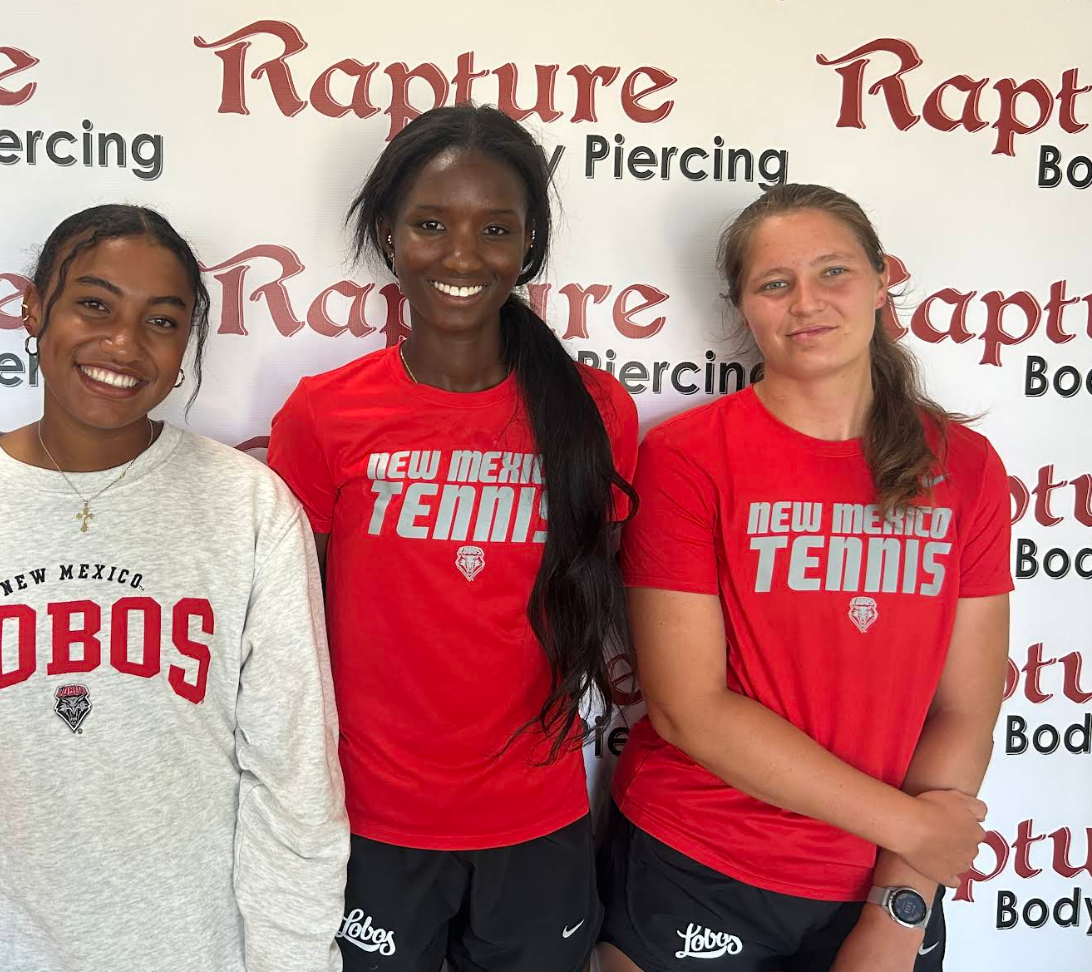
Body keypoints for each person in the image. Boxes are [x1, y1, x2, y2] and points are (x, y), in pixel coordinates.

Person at [0, 204, 348, 972]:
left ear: (185, 346)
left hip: (198, 953)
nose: (123, 344)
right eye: (93, 305)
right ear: (35, 309)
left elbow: (291, 774)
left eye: (162, 321)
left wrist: (292, 960)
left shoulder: (249, 508)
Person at [597, 184, 1012, 972]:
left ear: (882, 280)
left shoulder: (965, 468)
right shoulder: (687, 458)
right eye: (774, 283)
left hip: (885, 878)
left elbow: (965, 710)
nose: (806, 303)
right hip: (698, 861)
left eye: (833, 272)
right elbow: (691, 710)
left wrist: (901, 900)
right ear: (742, 308)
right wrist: (913, 828)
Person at [268, 105, 639, 972]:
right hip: (367, 823)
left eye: (494, 229)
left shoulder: (595, 413)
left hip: (536, 824)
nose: (461, 256)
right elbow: (290, 634)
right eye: (431, 225)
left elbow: (606, 600)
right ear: (387, 236)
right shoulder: (323, 414)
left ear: (529, 245)